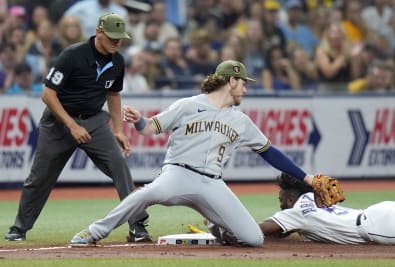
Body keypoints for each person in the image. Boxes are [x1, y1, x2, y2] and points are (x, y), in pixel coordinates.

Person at [70, 60, 320, 247]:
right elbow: (149, 129)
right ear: (231, 81)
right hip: (177, 175)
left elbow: (270, 153)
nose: (245, 89)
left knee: (253, 239)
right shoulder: (188, 105)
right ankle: (93, 232)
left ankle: (216, 226)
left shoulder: (241, 121)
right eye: (243, 83)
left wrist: (306, 178)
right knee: (146, 194)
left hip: (212, 183)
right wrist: (138, 121)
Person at [4, 12, 150, 243]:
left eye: (120, 38)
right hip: (59, 123)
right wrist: (72, 126)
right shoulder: (73, 55)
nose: (116, 42)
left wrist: (119, 130)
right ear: (99, 32)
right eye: (112, 36)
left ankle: (137, 226)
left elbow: (113, 94)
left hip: (93, 121)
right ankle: (19, 228)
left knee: (119, 166)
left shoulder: (118, 61)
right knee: (39, 178)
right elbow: (48, 95)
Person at [259, 173, 395, 245]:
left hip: (378, 227)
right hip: (380, 211)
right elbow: (283, 231)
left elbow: (260, 229)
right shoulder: (311, 196)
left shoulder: (296, 213)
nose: (281, 205)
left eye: (281, 200)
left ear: (290, 200)